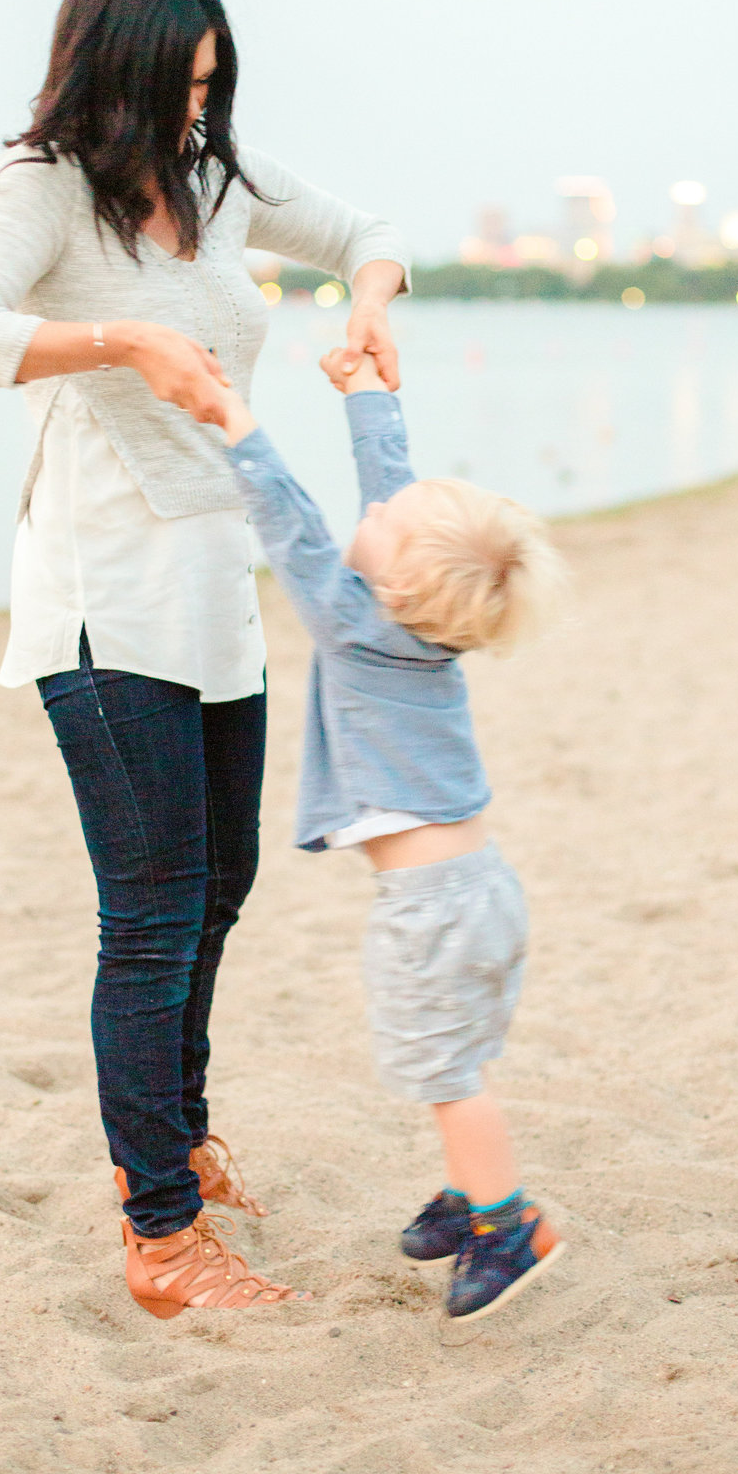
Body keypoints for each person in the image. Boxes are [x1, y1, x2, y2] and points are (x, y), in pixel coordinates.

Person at [0, 0, 410, 1319]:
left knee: (221, 891)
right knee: (148, 920)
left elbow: (374, 236)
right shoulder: (44, 189)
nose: (198, 111)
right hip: (101, 594)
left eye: (213, 84)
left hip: (217, 593)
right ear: (109, 71)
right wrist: (118, 339)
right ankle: (160, 1234)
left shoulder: (219, 181)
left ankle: (179, 1140)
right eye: (177, 86)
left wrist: (370, 306)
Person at [192, 346, 566, 1323]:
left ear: (395, 586)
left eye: (387, 530)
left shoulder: (356, 622)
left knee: (444, 1074)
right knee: (455, 1058)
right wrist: (368, 394)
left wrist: (234, 418)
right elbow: (392, 489)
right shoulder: (415, 620)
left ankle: (507, 1220)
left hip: (435, 908)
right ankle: (467, 1187)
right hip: (480, 889)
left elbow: (295, 528)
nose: (375, 512)